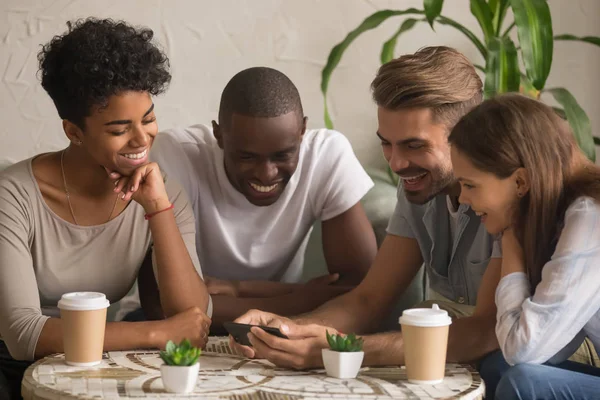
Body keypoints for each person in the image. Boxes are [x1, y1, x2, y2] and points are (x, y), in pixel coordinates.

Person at [229, 47, 503, 376]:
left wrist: (342, 349)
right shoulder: (417, 187)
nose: (397, 163)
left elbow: (486, 330)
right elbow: (368, 300)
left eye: (414, 145)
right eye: (387, 143)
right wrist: (287, 331)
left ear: (467, 135)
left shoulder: (510, 196)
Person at [0, 18, 210, 399]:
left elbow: (193, 318)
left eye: (148, 119)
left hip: (97, 367)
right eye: (119, 130)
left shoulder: (162, 192)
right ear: (73, 132)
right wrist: (155, 334)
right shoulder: (13, 196)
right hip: (9, 372)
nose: (142, 138)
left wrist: (158, 210)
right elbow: (22, 335)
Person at [140, 66, 378, 328]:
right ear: (219, 135)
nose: (266, 174)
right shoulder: (177, 155)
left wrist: (238, 289)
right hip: (176, 330)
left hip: (277, 329)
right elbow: (161, 307)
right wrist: (297, 301)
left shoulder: (326, 156)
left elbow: (357, 293)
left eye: (282, 155)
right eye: (246, 157)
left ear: (303, 132)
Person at [449, 93, 600, 399]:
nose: (462, 199)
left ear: (520, 182)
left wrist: (511, 245)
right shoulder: (560, 214)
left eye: (470, 185)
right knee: (495, 369)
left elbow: (525, 350)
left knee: (523, 382)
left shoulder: (590, 216)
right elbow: (553, 350)